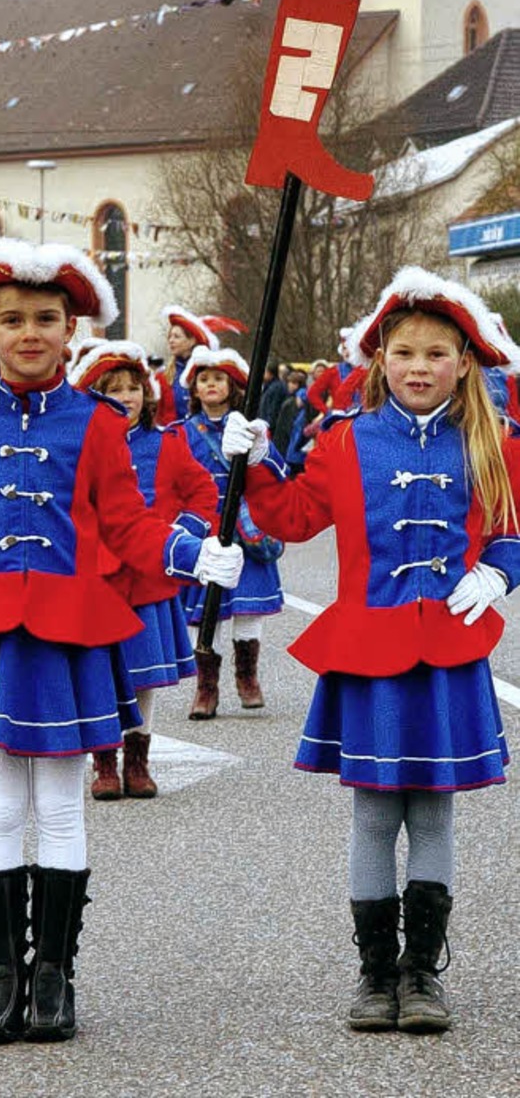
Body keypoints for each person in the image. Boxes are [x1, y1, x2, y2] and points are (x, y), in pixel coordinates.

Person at [0, 239, 242, 1047]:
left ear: (70, 326)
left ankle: (55, 977)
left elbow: (125, 524)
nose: (31, 333)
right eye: (13, 320)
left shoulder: (98, 423)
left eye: (47, 318)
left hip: (72, 633)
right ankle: (0, 976)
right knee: (0, 805)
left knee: (60, 805)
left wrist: (193, 552)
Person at [222, 267, 520, 1035]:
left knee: (436, 817)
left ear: (464, 362)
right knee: (374, 817)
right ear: (378, 359)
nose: (418, 367)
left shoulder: (495, 441)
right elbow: (289, 517)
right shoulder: (345, 440)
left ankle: (423, 973)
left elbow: (515, 532)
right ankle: (374, 973)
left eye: (436, 354)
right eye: (403, 352)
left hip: (450, 651)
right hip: (369, 650)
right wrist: (251, 463)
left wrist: (500, 571)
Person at [71, 338, 218, 800]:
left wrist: (179, 534)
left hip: (149, 578)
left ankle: (137, 759)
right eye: (112, 390)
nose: (125, 398)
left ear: (147, 393)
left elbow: (203, 493)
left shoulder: (168, 443)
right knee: (99, 670)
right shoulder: (78, 444)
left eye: (133, 388)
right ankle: (104, 763)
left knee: (143, 676)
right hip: (98, 580)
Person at [179, 345, 284, 718]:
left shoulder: (252, 428)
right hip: (205, 531)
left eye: (218, 378)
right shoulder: (183, 433)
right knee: (207, 613)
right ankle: (206, 689)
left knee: (247, 609)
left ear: (233, 385)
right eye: (203, 379)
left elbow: (275, 471)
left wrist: (259, 451)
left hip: (245, 530)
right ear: (193, 389)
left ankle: (247, 678)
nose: (210, 385)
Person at [307, 330, 353, 415]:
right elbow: (312, 393)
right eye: (344, 348)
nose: (347, 352)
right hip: (340, 419)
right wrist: (327, 412)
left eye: (350, 348)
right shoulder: (333, 372)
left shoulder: (367, 370)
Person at [258, 358, 286, 433]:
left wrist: (268, 426)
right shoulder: (268, 386)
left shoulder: (276, 387)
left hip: (268, 428)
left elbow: (273, 409)